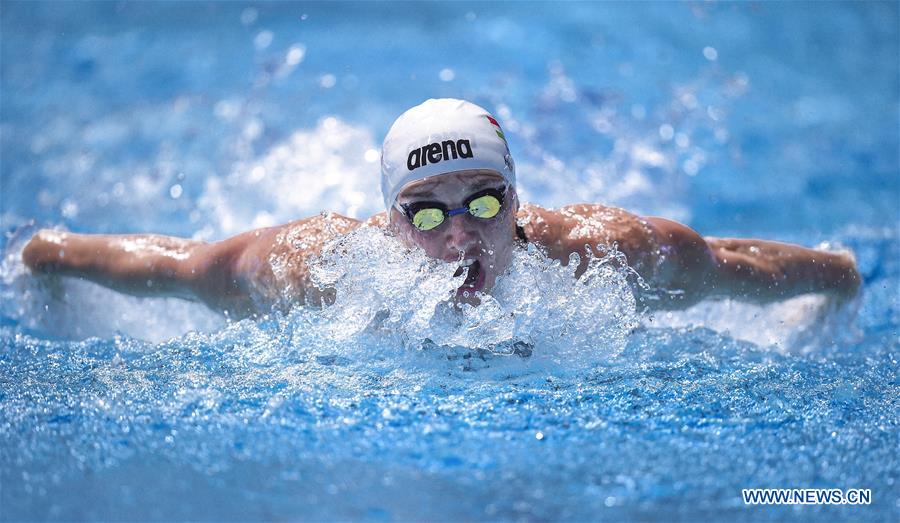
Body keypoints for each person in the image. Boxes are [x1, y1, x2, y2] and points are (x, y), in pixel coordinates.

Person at [21, 98, 861, 319]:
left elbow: (728, 264)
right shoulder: (318, 271)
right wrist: (49, 253)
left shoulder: (604, 255)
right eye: (425, 213)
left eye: (484, 201)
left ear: (517, 199)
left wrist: (840, 276)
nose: (460, 232)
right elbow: (177, 266)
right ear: (388, 221)